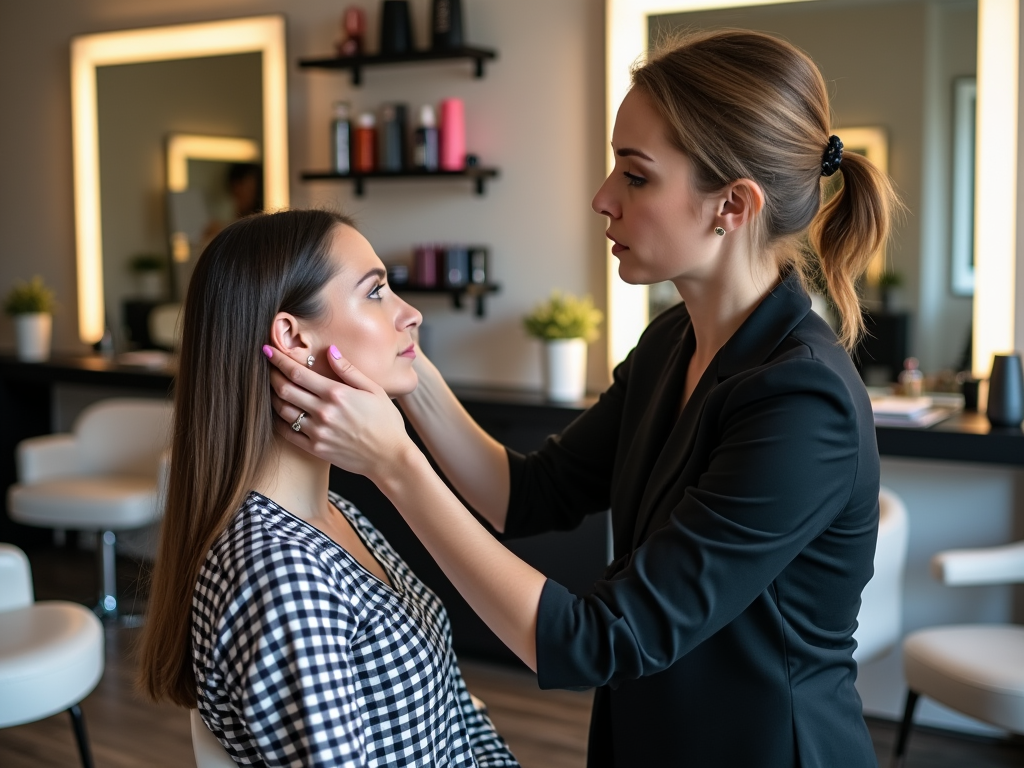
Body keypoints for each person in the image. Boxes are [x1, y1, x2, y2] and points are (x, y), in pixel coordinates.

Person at [264, 30, 897, 768]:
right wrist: (407, 369)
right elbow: (528, 494)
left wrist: (394, 464)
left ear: (732, 205)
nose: (602, 198)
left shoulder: (802, 402)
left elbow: (605, 639)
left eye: (635, 176)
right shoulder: (674, 343)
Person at [137, 209, 519, 768]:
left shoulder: (335, 513)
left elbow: (457, 715)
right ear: (292, 336)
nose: (410, 314)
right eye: (377, 292)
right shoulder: (282, 576)